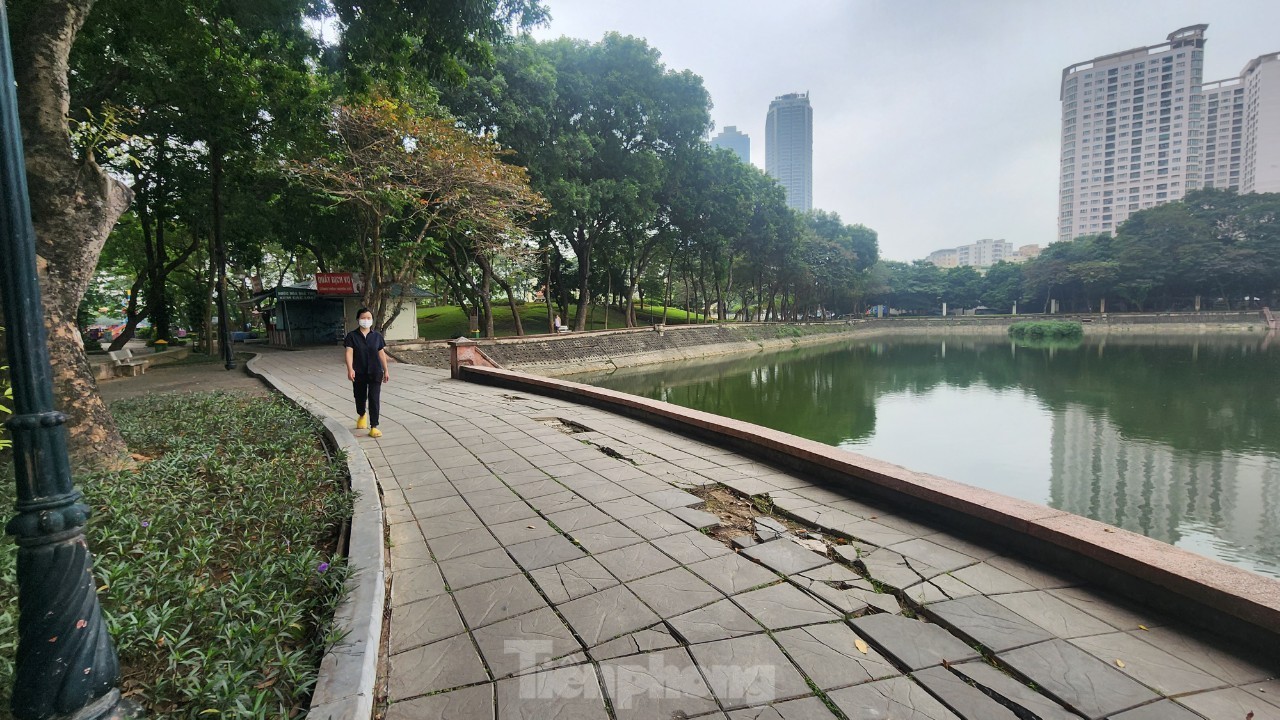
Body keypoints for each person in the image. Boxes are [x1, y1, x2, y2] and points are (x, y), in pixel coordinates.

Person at [343, 308, 390, 438]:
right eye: (363, 318)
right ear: (358, 319)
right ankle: (362, 414)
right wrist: (350, 369)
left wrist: (386, 370)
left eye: (369, 318)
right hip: (359, 371)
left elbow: (381, 353)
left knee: (374, 399)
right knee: (359, 396)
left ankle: (374, 426)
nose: (366, 320)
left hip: (375, 371)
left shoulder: (377, 336)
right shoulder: (352, 336)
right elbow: (349, 352)